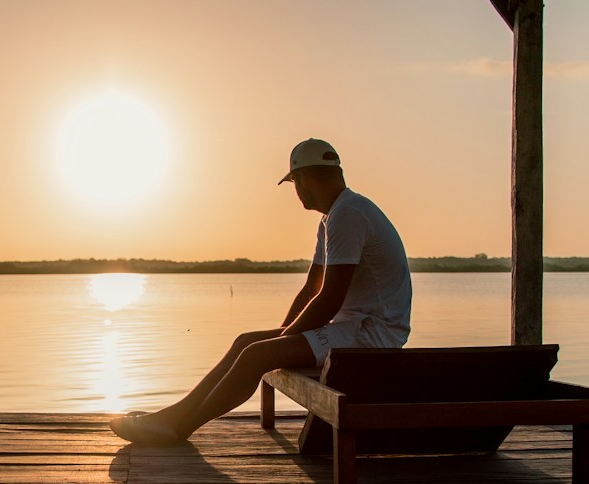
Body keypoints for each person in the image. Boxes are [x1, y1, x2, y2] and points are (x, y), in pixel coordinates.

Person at [109, 138, 410, 447]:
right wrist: (283, 335)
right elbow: (311, 289)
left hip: (372, 334)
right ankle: (174, 415)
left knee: (256, 354)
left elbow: (329, 300)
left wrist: (280, 342)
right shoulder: (334, 215)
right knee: (247, 341)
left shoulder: (348, 214)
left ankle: (179, 425)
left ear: (302, 180)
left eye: (294, 183)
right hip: (354, 328)